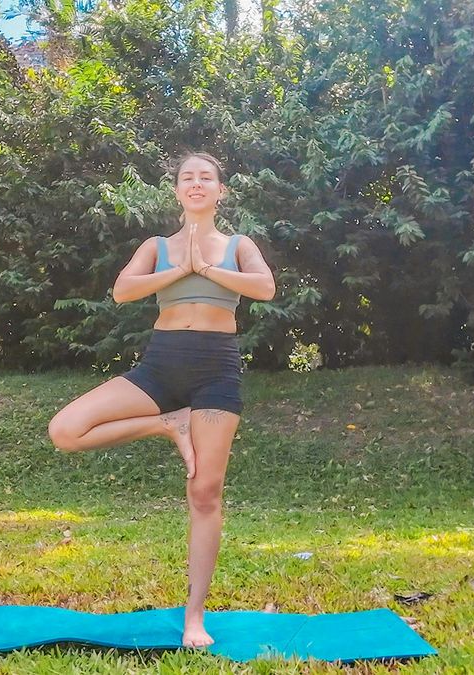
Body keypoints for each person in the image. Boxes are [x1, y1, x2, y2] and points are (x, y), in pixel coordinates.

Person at [47, 151, 277, 648]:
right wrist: (181, 270)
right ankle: (166, 424)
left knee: (204, 494)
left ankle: (195, 618)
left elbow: (265, 287)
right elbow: (123, 291)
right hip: (160, 365)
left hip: (216, 369)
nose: (196, 184)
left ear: (221, 191)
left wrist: (209, 269)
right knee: (65, 430)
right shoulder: (157, 246)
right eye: (187, 178)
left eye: (206, 178)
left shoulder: (239, 244)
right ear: (176, 191)